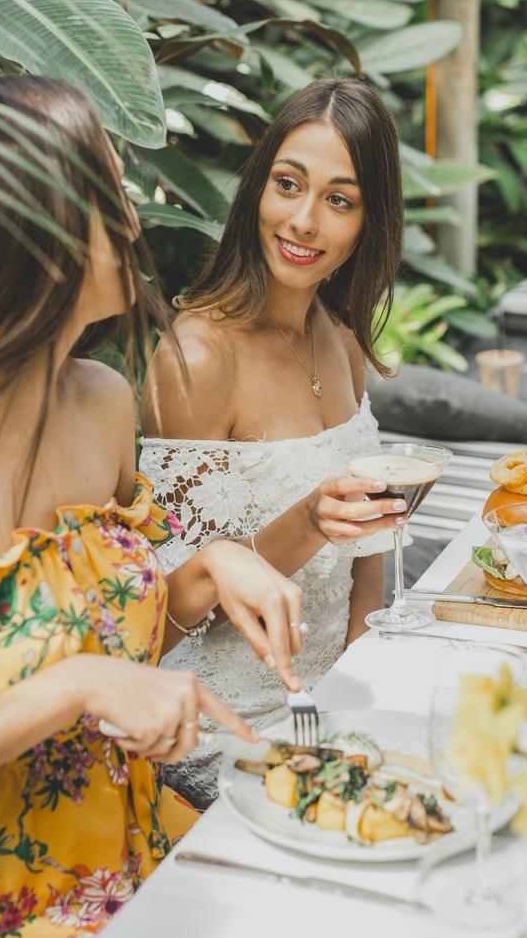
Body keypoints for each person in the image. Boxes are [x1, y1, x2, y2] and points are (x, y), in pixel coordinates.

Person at [0, 73, 304, 938]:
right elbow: (73, 676)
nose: (133, 225)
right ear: (19, 230)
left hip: (142, 877)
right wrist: (75, 688)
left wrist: (204, 573)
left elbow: (112, 646)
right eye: (109, 198)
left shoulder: (101, 402)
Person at [140, 75, 408, 806]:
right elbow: (162, 619)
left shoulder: (342, 340)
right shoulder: (196, 360)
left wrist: (362, 689)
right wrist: (307, 522)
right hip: (228, 728)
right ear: (258, 188)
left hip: (338, 704)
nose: (304, 221)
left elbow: (369, 559)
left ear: (369, 221)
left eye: (339, 200)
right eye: (288, 184)